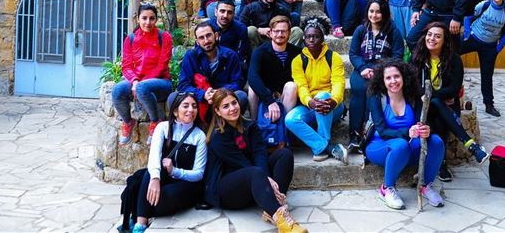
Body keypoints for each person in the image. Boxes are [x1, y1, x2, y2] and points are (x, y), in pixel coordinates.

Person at [203, 89, 305, 233]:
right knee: (254, 171)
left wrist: (267, 178)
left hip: (252, 180)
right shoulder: (218, 137)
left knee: (284, 154)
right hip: (226, 190)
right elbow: (242, 163)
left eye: (234, 103)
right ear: (218, 111)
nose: (232, 108)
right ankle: (281, 218)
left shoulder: (250, 126)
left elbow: (260, 153)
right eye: (226, 106)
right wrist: (267, 179)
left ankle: (272, 206)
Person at [412, 22, 489, 182]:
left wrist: (432, 95)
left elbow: (454, 89)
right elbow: (414, 85)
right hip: (424, 106)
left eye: (437, 36)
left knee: (438, 110)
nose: (432, 38)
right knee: (437, 104)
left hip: (443, 107)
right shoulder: (418, 57)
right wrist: (435, 95)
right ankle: (469, 145)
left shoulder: (454, 60)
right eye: (430, 34)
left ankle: (441, 162)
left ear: (445, 40)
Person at [365, 59, 445, 210]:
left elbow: (422, 123)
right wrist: (407, 133)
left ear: (404, 77)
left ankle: (425, 185)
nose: (393, 81)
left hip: (408, 146)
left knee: (436, 141)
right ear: (382, 80)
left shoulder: (413, 97)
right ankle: (386, 188)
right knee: (400, 145)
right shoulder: (377, 97)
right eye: (388, 78)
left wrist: (426, 130)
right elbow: (382, 131)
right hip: (380, 146)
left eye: (397, 76)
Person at [133, 91, 207, 231]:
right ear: (175, 111)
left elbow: (199, 173)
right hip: (164, 177)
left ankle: (142, 207)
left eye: (194, 106)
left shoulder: (199, 136)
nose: (191, 110)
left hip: (186, 183)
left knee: (163, 197)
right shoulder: (162, 128)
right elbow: (154, 156)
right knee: (149, 175)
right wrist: (155, 178)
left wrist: (175, 171)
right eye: (185, 106)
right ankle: (140, 223)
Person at [285, 17, 348, 165]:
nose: (312, 40)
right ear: (304, 39)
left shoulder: (334, 57)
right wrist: (310, 102)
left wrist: (334, 100)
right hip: (311, 105)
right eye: (308, 37)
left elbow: (339, 82)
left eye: (316, 36)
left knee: (323, 95)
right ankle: (327, 147)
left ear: (322, 38)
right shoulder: (298, 61)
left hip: (333, 106)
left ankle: (322, 144)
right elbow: (301, 86)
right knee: (290, 119)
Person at [348, 0, 405, 152]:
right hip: (362, 69)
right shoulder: (361, 30)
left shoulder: (392, 30)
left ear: (384, 13)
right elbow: (353, 53)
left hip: (384, 71)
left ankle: (368, 135)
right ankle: (354, 135)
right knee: (359, 91)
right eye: (371, 11)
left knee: (372, 93)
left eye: (378, 12)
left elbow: (398, 53)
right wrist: (362, 68)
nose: (374, 15)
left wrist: (381, 70)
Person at [113, 3, 174, 146]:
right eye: (144, 18)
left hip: (161, 83)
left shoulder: (164, 37)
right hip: (139, 83)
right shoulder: (131, 39)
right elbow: (126, 66)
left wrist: (139, 84)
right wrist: (134, 81)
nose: (148, 22)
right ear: (138, 19)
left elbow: (162, 65)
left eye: (152, 18)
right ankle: (128, 122)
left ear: (156, 19)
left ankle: (155, 121)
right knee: (117, 90)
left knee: (142, 88)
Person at [460, 0, 505, 117]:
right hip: (473, 38)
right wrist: (466, 34)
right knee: (452, 53)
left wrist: (498, 48)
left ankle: (489, 105)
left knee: (487, 76)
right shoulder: (484, 5)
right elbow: (468, 17)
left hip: (490, 47)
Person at [174, 21, 248, 117]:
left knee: (241, 96)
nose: (206, 41)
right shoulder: (191, 56)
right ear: (197, 42)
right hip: (200, 98)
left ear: (216, 35)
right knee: (173, 98)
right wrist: (203, 94)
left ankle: (230, 127)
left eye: (209, 35)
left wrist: (219, 92)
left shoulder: (230, 55)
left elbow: (237, 82)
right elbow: (183, 85)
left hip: (224, 97)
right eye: (201, 38)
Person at [247, 15, 301, 120]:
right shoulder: (260, 52)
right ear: (270, 33)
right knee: (252, 89)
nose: (280, 34)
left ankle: (285, 127)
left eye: (283, 31)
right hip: (266, 93)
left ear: (289, 33)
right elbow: (252, 76)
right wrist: (269, 100)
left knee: (291, 86)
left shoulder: (297, 53)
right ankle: (254, 126)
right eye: (276, 31)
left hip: (287, 95)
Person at [240, 0, 304, 48]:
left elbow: (288, 29)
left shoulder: (282, 9)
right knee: (250, 30)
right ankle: (256, 58)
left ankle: (285, 57)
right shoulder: (250, 8)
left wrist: (277, 32)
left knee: (297, 31)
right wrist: (259, 30)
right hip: (259, 44)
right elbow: (240, 28)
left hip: (280, 42)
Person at [210, 0, 253, 78]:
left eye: (229, 12)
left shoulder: (240, 28)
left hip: (232, 62)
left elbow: (243, 53)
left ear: (234, 14)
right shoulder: (207, 27)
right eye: (222, 11)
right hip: (211, 63)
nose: (225, 16)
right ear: (216, 12)